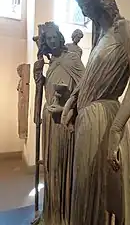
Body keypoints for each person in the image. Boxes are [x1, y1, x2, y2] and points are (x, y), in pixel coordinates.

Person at [61, 0, 130, 225]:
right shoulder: (100, 36)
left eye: (85, 3)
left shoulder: (124, 29)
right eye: (80, 5)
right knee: (84, 186)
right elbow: (90, 76)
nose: (83, 10)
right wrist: (74, 98)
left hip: (104, 118)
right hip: (87, 120)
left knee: (96, 188)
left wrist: (116, 128)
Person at [33, 22, 85, 225]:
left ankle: (65, 215)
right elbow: (45, 89)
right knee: (52, 167)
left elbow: (85, 86)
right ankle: (51, 213)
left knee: (65, 166)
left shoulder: (71, 57)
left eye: (55, 36)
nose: (52, 41)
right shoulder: (51, 61)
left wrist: (67, 107)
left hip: (66, 120)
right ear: (44, 43)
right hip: (49, 121)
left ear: (60, 36)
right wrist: (39, 77)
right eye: (48, 39)